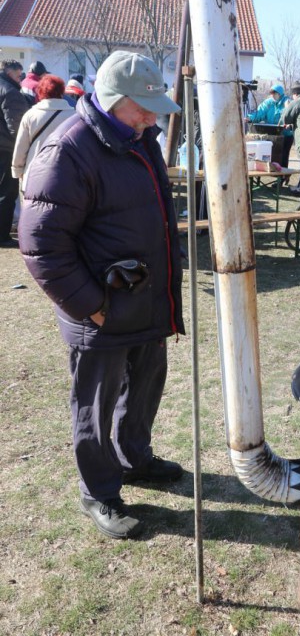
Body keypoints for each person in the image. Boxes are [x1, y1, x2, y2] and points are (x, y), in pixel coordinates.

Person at [18, 50, 185, 539]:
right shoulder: (68, 150)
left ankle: (135, 458)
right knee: (95, 404)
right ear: (112, 100)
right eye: (143, 108)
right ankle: (100, 491)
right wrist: (91, 305)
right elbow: (42, 245)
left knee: (145, 386)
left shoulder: (139, 138)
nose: (152, 117)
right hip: (101, 308)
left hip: (145, 300)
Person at [12, 75, 76, 192]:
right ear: (62, 91)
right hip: (66, 175)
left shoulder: (30, 115)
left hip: (34, 176)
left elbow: (21, 147)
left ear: (40, 92)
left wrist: (18, 170)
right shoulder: (75, 116)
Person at [0, 59, 29, 246]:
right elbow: (17, 128)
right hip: (6, 149)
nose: (21, 79)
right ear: (10, 73)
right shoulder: (11, 92)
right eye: (19, 76)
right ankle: (2, 236)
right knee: (7, 194)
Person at [246, 83, 294, 168]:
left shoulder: (287, 102)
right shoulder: (268, 103)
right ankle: (270, 170)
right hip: (271, 135)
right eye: (271, 93)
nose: (272, 95)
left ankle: (283, 173)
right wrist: (250, 118)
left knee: (283, 156)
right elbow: (260, 113)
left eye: (274, 93)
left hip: (285, 135)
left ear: (280, 93)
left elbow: (291, 116)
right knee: (270, 156)